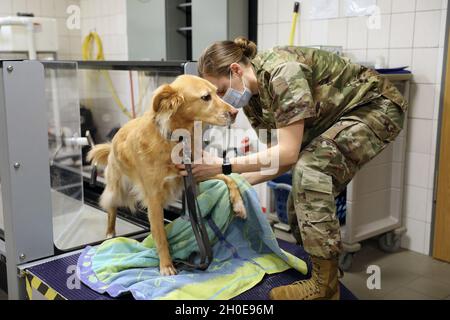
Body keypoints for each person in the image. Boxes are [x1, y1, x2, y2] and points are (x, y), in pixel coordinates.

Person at [178, 37, 407, 300]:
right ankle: (321, 274)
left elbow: (288, 152)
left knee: (311, 173)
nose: (222, 100)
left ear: (236, 71)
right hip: (337, 117)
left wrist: (223, 166)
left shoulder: (282, 73)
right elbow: (279, 159)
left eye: (219, 91)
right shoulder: (253, 100)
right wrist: (234, 184)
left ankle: (324, 288)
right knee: (299, 198)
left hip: (377, 107)